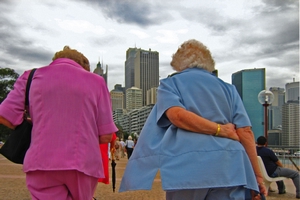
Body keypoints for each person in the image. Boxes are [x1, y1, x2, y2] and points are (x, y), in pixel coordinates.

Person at [119, 39, 266, 199]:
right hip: (231, 164)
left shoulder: (170, 84)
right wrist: (257, 176)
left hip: (187, 165)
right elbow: (245, 131)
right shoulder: (228, 89)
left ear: (178, 62)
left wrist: (219, 130)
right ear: (208, 62)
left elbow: (177, 116)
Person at [0, 46, 118, 200]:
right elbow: (106, 136)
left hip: (41, 161)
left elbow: (5, 116)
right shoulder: (96, 81)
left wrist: (33, 123)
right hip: (83, 162)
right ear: (85, 67)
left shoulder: (31, 77)